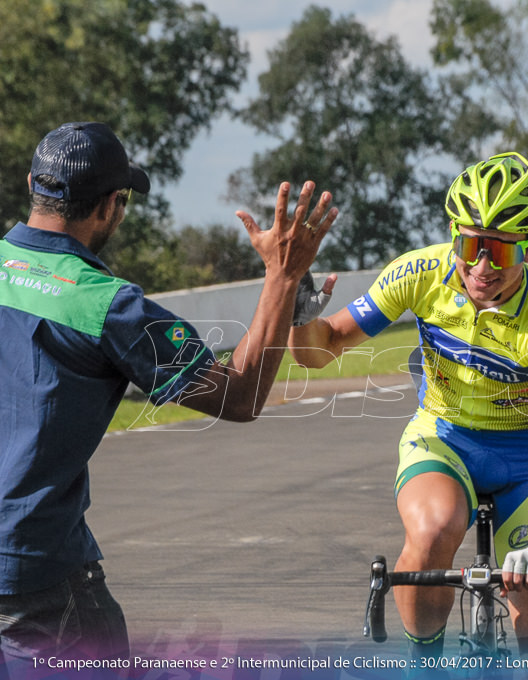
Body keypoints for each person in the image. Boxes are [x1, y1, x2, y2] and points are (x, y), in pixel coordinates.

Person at [0, 121, 337, 672]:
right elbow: (240, 394)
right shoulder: (109, 307)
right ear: (111, 206)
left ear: (32, 184)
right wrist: (282, 275)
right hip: (37, 575)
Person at [289, 152, 528, 657]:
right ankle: (423, 664)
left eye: (501, 251)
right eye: (469, 244)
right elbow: (320, 351)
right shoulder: (421, 272)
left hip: (525, 458)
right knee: (433, 530)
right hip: (442, 437)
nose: (482, 265)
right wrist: (297, 313)